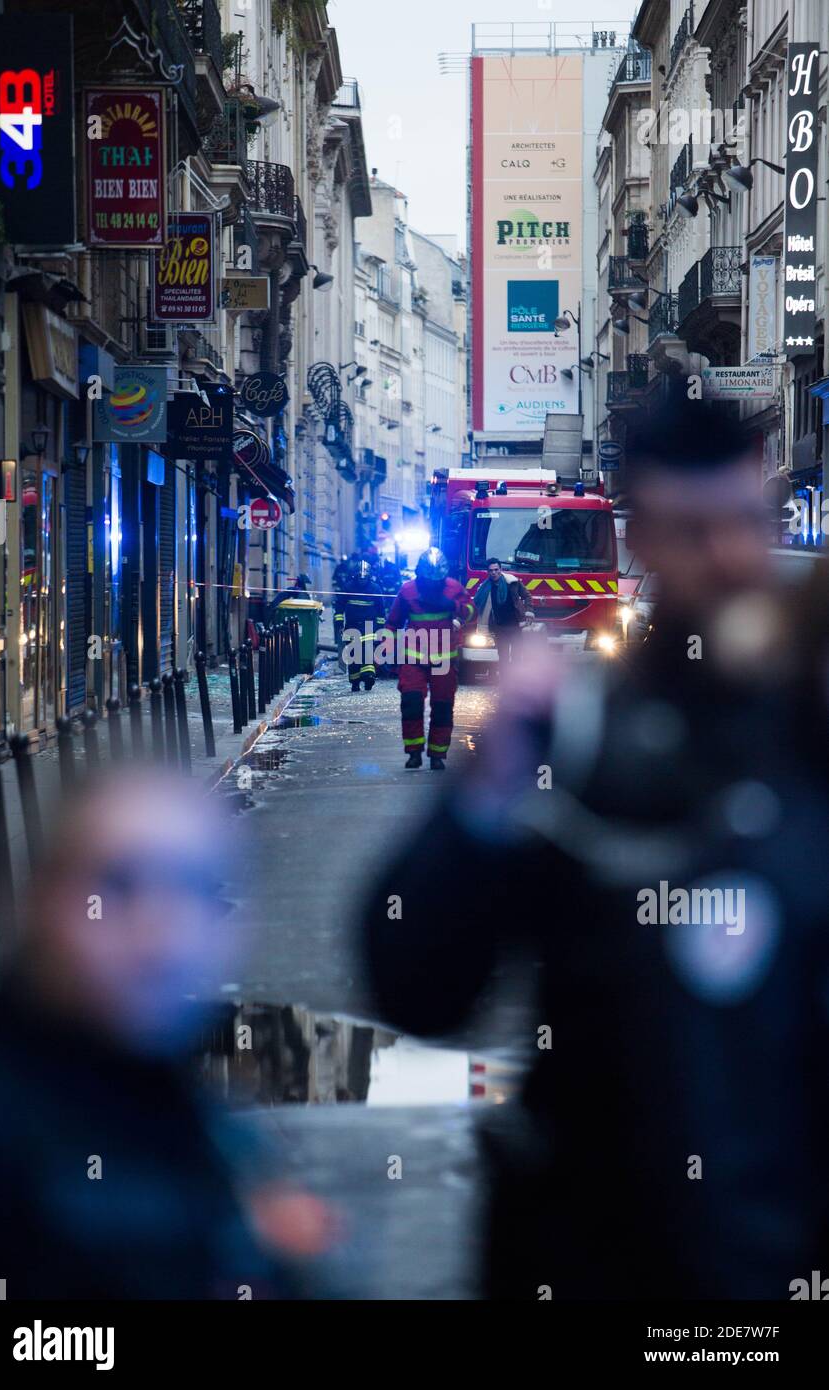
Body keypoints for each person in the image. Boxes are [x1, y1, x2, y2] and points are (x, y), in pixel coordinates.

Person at [359, 389, 829, 1298]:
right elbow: (412, 983)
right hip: (590, 1254)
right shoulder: (576, 744)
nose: (729, 556)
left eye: (744, 523)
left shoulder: (805, 733)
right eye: (692, 530)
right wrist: (486, 792)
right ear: (644, 536)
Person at [0, 768, 339, 1298]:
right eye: (119, 886)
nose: (160, 936)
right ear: (41, 902)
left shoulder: (189, 1101)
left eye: (199, 890)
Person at [384, 546, 474, 770]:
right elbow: (392, 623)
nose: (433, 585)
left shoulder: (454, 588)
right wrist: (385, 651)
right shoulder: (408, 591)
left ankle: (437, 754)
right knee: (411, 703)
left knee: (442, 707)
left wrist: (454, 606)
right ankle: (414, 752)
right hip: (414, 659)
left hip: (444, 659)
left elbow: (472, 612)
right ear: (419, 574)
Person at [335, 559, 387, 692]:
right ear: (355, 576)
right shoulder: (348, 588)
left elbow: (381, 611)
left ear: (369, 576)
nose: (362, 580)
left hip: (369, 626)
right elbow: (339, 608)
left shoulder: (375, 588)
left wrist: (380, 628)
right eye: (360, 577)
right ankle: (355, 682)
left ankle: (369, 677)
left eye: (364, 578)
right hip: (351, 626)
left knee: (367, 652)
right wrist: (339, 623)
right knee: (353, 654)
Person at [473, 557, 531, 664]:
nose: (494, 573)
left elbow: (527, 596)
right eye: (491, 570)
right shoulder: (484, 588)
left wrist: (528, 611)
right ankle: (504, 680)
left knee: (517, 658)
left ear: (500, 569)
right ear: (488, 572)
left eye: (496, 570)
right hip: (499, 628)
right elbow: (476, 606)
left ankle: (516, 679)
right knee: (503, 658)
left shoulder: (512, 582)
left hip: (515, 626)